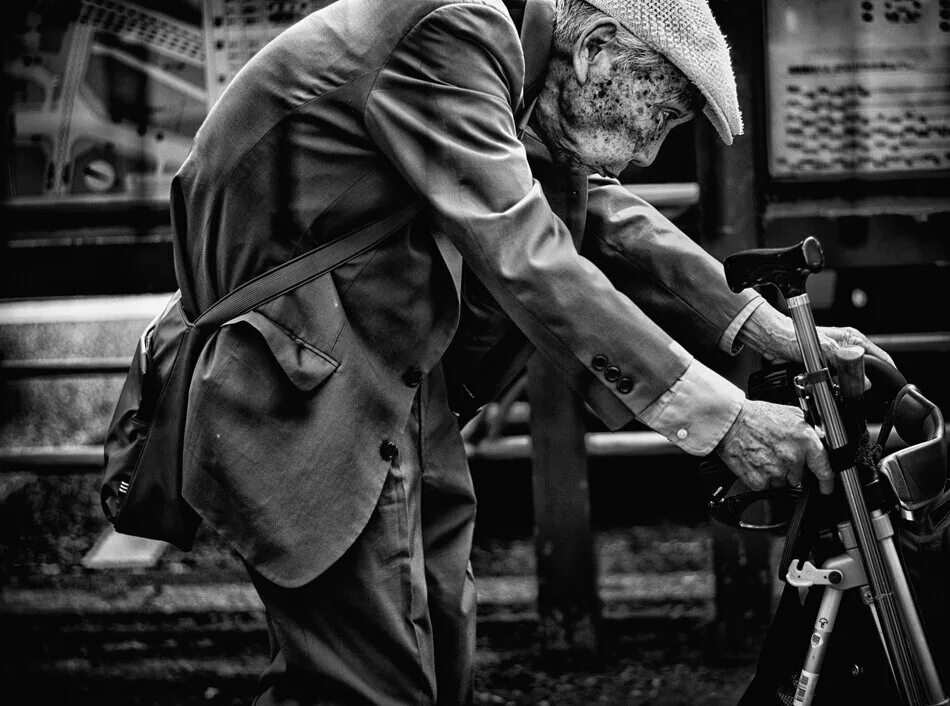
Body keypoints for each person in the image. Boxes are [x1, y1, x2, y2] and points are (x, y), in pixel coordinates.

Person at [173, 0, 894, 702]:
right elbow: (528, 251)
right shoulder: (457, 28)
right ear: (596, 49)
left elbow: (601, 209)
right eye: (663, 117)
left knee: (437, 655)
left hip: (382, 380)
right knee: (371, 683)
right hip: (303, 387)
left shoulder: (516, 55)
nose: (648, 152)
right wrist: (726, 422)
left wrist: (762, 325)